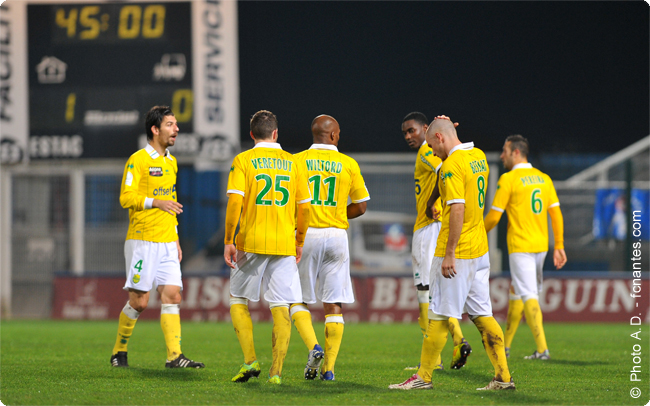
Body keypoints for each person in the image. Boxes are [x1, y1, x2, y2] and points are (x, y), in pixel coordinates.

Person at [389, 117, 514, 391]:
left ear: (440, 138)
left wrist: (449, 253)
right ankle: (503, 377)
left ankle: (423, 377)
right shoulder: (478, 156)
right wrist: (433, 198)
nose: (432, 152)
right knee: (482, 314)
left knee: (437, 313)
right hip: (479, 249)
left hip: (458, 251)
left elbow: (457, 208)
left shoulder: (451, 165)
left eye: (433, 146)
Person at [111, 105, 204, 369]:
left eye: (176, 124)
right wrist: (155, 202)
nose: (176, 129)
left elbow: (171, 202)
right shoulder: (138, 160)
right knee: (139, 302)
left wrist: (175, 238)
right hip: (142, 240)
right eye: (170, 125)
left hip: (167, 241)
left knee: (173, 295)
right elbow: (126, 197)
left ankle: (174, 356)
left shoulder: (171, 161)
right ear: (155, 129)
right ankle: (119, 351)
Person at [224, 110, 311, 385]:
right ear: (275, 133)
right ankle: (276, 372)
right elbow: (305, 208)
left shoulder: (243, 160)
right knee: (281, 304)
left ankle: (250, 361)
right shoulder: (293, 162)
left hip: (250, 241)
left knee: (238, 298)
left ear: (252, 134)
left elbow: (235, 202)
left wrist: (228, 240)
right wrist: (299, 241)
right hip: (284, 243)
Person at [289, 115, 370, 381]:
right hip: (337, 236)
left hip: (306, 234)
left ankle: (314, 347)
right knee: (333, 302)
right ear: (334, 135)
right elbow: (361, 206)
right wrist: (335, 215)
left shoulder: (296, 161)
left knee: (296, 298)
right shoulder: (348, 163)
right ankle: (329, 369)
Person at [484, 134, 567, 360]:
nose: (502, 155)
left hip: (520, 246)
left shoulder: (509, 179)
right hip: (541, 246)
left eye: (505, 151)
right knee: (517, 291)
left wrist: (475, 232)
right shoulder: (543, 178)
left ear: (516, 152)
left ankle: (542, 349)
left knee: (528, 293)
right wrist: (559, 244)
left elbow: (494, 216)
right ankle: (506, 346)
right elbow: (556, 214)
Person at [401, 112, 471, 371]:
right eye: (405, 133)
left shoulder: (425, 151)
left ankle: (434, 359)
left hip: (427, 228)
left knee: (425, 294)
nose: (408, 136)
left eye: (412, 130)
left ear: (426, 129)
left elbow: (444, 168)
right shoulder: (431, 151)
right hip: (438, 225)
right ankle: (458, 341)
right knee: (437, 294)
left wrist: (431, 201)